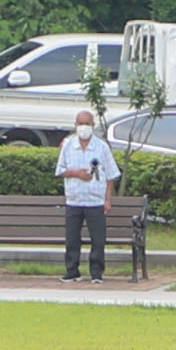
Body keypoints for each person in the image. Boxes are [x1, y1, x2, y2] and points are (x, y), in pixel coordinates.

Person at [54, 106, 123, 279]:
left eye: (87, 123)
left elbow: (111, 176)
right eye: (81, 123)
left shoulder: (101, 147)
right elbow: (60, 170)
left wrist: (108, 200)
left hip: (96, 201)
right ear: (75, 125)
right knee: (72, 240)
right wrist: (76, 173)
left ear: (93, 125)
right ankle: (72, 271)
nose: (84, 127)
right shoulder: (68, 145)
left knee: (98, 240)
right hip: (74, 200)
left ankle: (97, 273)